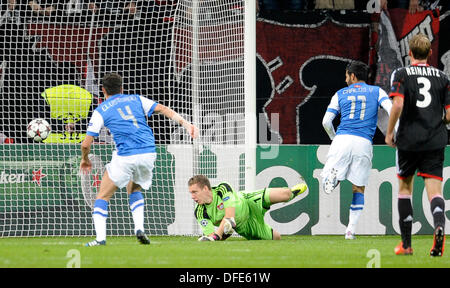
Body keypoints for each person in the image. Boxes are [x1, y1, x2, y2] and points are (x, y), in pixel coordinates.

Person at [80, 73, 198, 246]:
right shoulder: (136, 99)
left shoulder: (101, 110)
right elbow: (164, 109)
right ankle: (139, 228)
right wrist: (187, 124)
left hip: (126, 155)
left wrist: (85, 159)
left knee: (102, 196)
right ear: (122, 88)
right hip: (148, 153)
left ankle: (100, 239)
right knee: (134, 189)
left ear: (103, 90)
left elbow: (85, 144)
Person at [385, 33, 450, 256]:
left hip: (408, 140)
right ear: (430, 53)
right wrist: (437, 122)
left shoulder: (401, 74)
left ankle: (406, 245)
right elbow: (449, 114)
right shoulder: (442, 77)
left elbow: (398, 104)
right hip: (435, 139)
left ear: (409, 53)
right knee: (434, 191)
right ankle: (439, 225)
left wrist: (389, 132)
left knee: (404, 189)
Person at [321, 60, 393, 240]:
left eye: (346, 75)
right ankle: (350, 230)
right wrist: (395, 131)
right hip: (363, 143)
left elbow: (326, 122)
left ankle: (334, 177)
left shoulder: (340, 94)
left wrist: (333, 138)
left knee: (329, 176)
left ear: (353, 76)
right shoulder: (377, 91)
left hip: (342, 139)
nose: (345, 79)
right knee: (358, 188)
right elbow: (391, 110)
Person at [188, 174, 308, 241]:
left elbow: (229, 217)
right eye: (191, 193)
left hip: (248, 201)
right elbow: (212, 237)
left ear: (205, 189)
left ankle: (293, 193)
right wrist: (223, 234)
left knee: (284, 194)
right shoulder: (200, 212)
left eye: (195, 192)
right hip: (244, 225)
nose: (192, 196)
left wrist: (217, 235)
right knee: (276, 238)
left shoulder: (222, 189)